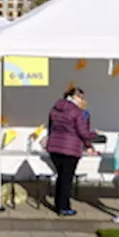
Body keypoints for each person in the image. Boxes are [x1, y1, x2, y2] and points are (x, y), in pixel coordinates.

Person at [46, 86, 98, 216]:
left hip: (54, 147)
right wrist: (94, 134)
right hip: (70, 149)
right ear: (75, 97)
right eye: (80, 97)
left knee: (61, 178)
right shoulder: (77, 112)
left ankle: (59, 205)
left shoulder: (55, 109)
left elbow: (51, 128)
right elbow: (83, 133)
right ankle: (64, 207)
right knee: (66, 180)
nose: (82, 100)